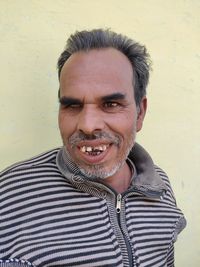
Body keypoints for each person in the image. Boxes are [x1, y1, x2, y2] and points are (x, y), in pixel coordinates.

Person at [0, 29, 186, 267]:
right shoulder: (10, 194)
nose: (87, 125)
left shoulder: (159, 187)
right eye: (72, 105)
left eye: (110, 104)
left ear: (140, 112)